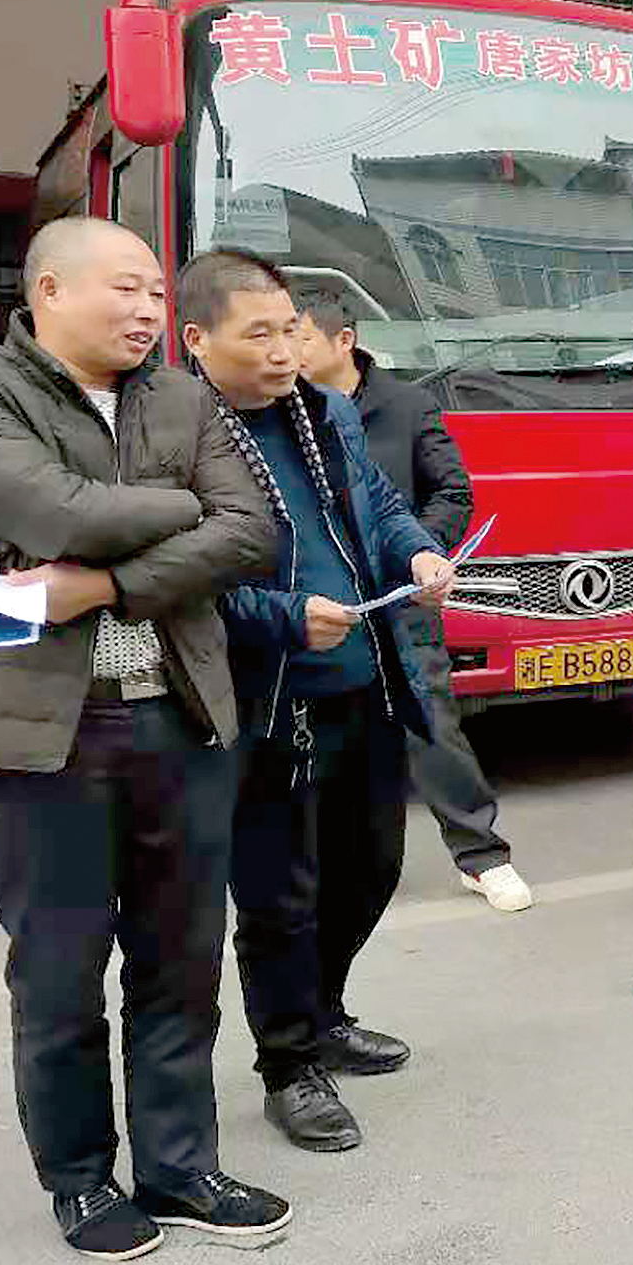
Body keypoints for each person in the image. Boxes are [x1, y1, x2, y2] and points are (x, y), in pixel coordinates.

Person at [0, 217, 289, 1259]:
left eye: (156, 297)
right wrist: (179, 510)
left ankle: (180, 1167)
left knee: (181, 960)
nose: (146, 312)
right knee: (59, 969)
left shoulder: (180, 393)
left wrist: (111, 582)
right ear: (49, 288)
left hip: (179, 715)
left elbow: (256, 531)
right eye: (125, 289)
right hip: (44, 736)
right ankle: (82, 1179)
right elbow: (55, 517)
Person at [180, 250, 456, 1156]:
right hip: (267, 701)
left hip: (362, 682)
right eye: (256, 333)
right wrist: (285, 617)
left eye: (288, 327)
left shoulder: (325, 413)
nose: (281, 349)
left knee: (370, 865)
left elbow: (374, 507)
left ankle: (325, 1011)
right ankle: (288, 1065)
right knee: (277, 898)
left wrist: (415, 552)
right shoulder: (180, 437)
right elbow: (185, 586)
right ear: (197, 340)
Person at [296, 294, 532, 913]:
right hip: (319, 601)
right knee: (317, 736)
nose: (286, 352)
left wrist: (424, 554)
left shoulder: (405, 405)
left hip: (401, 599)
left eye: (299, 338)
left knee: (431, 728)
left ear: (342, 342)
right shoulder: (282, 411)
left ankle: (482, 856)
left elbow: (450, 492)